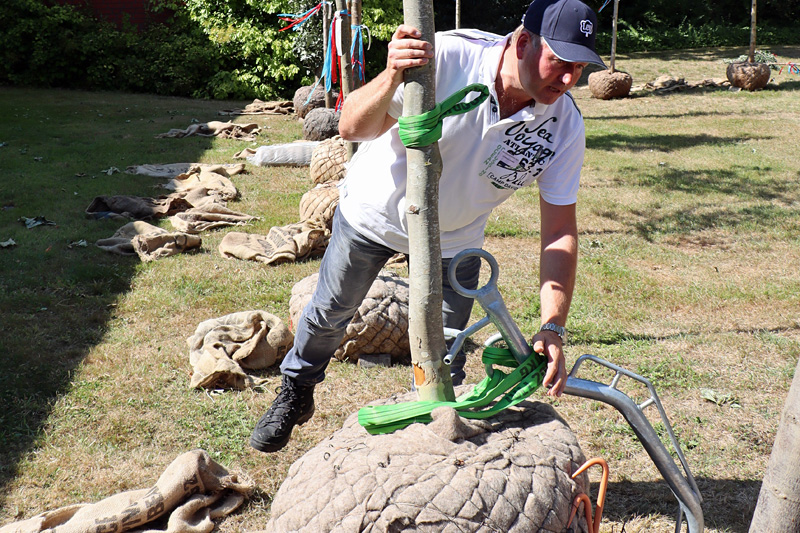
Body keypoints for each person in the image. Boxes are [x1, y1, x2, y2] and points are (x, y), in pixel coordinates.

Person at [250, 0, 606, 453]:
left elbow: (559, 232)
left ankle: (436, 442)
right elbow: (351, 127)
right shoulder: (445, 58)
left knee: (446, 349)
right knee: (330, 313)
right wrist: (391, 75)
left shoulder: (563, 125)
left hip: (456, 237)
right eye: (560, 62)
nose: (570, 79)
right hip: (375, 213)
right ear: (522, 43)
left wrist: (553, 326)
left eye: (580, 67)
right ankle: (297, 389)